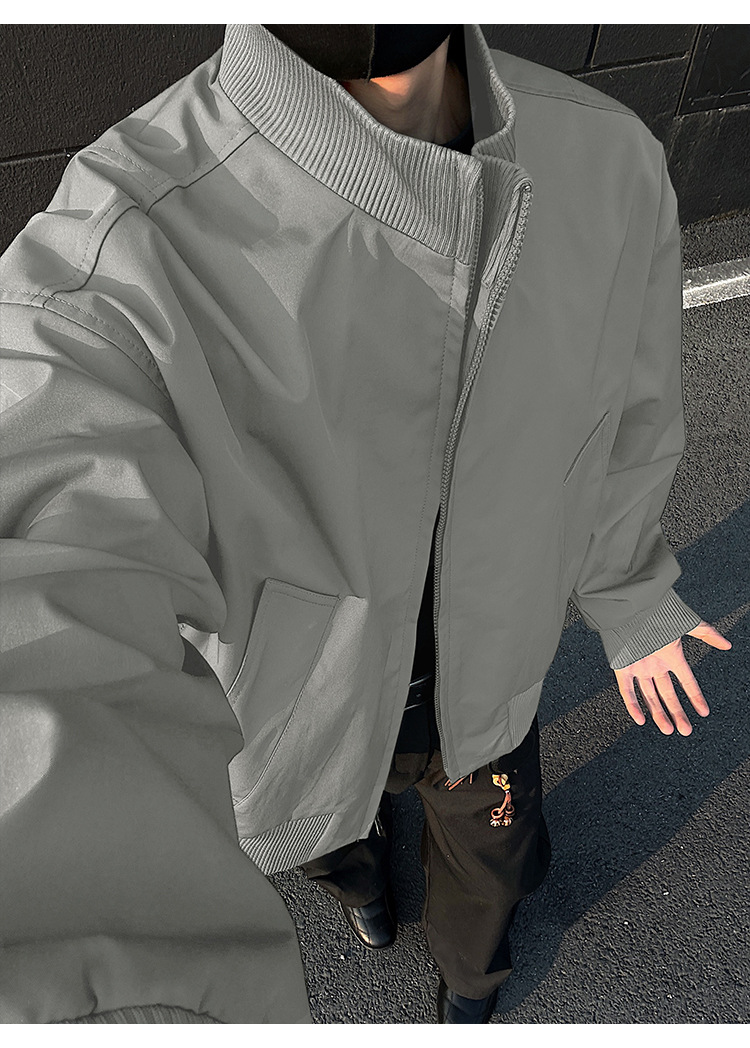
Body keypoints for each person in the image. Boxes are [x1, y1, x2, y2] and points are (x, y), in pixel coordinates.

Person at [0, 24, 732, 1025]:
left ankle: (471, 982)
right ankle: (364, 895)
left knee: (493, 862)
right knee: (329, 842)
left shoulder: (604, 158)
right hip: (300, 711)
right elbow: (43, 508)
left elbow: (633, 410)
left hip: (490, 682)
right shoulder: (130, 240)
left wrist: (631, 592)